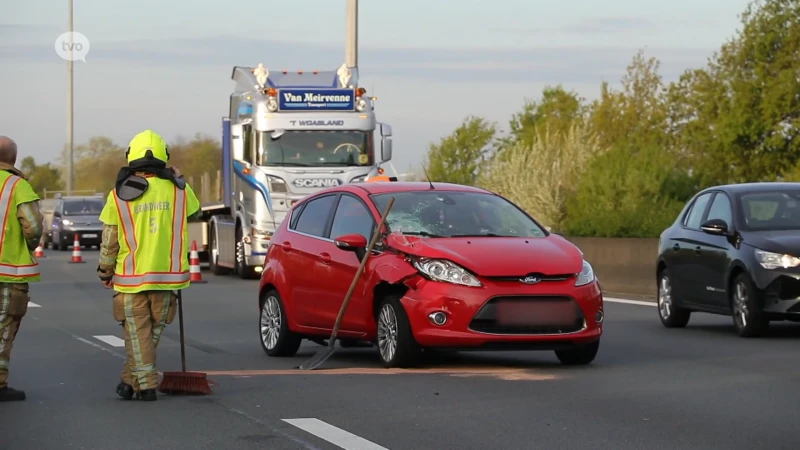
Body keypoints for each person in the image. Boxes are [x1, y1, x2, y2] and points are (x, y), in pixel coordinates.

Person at [97, 130, 200, 401]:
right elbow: (196, 211)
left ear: (130, 156)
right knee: (149, 334)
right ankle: (129, 382)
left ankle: (145, 385)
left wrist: (105, 270)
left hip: (130, 279)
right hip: (168, 278)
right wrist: (177, 179)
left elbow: (110, 239)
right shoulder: (180, 191)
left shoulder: (118, 194)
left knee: (136, 332)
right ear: (164, 157)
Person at [0, 136, 44, 402]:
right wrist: (28, 244)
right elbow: (33, 226)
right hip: (7, 272)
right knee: (3, 329)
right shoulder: (17, 186)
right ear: (14, 159)